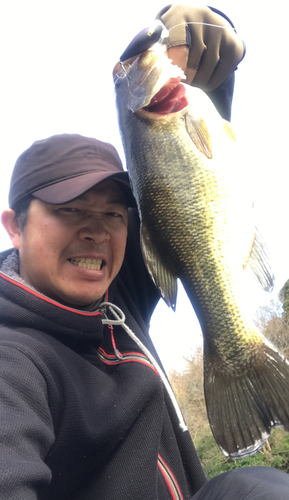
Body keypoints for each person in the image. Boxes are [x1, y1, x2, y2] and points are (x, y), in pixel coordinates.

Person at [0, 4, 289, 499]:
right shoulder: (13, 361)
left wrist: (199, 34)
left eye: (115, 213)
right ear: (15, 227)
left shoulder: (119, 302)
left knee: (257, 489)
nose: (96, 231)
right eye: (70, 209)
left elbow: (185, 185)